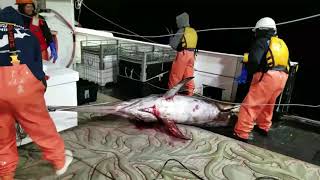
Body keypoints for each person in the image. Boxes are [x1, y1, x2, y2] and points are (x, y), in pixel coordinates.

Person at [0, 7, 72, 180]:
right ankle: (59, 161)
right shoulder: (27, 35)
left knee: (2, 134)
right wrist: (41, 87)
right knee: (40, 126)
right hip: (23, 89)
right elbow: (37, 68)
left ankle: (5, 172)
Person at [233, 17, 290, 142]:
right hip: (282, 77)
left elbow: (254, 60)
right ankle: (263, 126)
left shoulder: (262, 41)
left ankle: (241, 132)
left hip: (267, 76)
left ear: (261, 30)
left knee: (250, 105)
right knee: (268, 104)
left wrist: (249, 73)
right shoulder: (281, 43)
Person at [168, 12, 198, 96]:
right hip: (192, 54)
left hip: (183, 54)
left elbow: (174, 45)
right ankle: (190, 93)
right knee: (189, 75)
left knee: (175, 75)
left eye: (177, 21)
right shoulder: (193, 31)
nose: (177, 23)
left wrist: (171, 38)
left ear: (181, 21)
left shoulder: (182, 30)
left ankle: (171, 95)